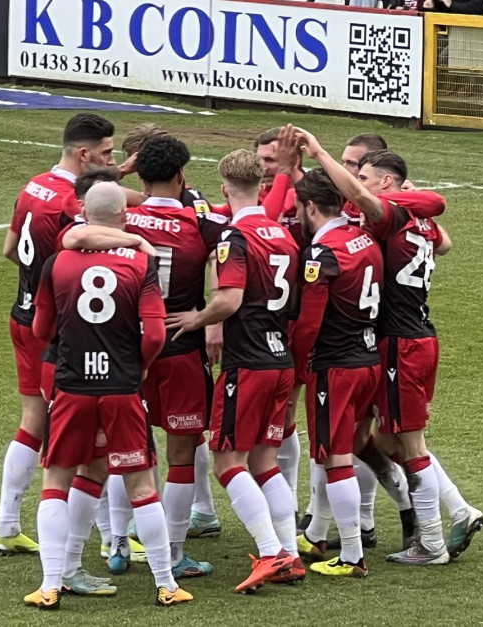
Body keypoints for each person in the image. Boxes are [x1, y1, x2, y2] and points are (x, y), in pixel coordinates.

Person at [296, 128, 483, 563]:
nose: (354, 179)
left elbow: (369, 202)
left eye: (360, 171)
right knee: (378, 439)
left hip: (400, 342)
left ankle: (432, 541)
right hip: (411, 337)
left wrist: (319, 151)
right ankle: (439, 514)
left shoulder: (391, 214)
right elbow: (445, 237)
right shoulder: (415, 216)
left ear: (384, 181)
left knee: (407, 444)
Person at [62, 137, 225, 579]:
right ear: (181, 176)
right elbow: (234, 245)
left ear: (142, 175)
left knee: (121, 451)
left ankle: (117, 542)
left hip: (123, 350)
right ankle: (172, 553)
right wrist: (208, 317)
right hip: (179, 348)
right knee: (182, 455)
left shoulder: (123, 219)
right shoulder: (204, 225)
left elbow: (73, 225)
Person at [28, 181, 193, 608]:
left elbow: (41, 331)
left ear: (85, 213)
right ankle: (166, 584)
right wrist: (139, 364)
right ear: (124, 217)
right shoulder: (140, 262)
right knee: (141, 485)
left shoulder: (57, 262)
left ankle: (50, 584)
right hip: (122, 385)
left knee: (55, 483)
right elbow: (155, 333)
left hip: (71, 386)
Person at [166, 149, 301, 593]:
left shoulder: (233, 238)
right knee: (264, 461)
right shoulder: (283, 234)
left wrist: (196, 319)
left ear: (224, 188)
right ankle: (291, 554)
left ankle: (270, 552)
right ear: (263, 187)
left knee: (227, 459)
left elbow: (229, 300)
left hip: (249, 364)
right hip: (281, 360)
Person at [0, 113, 115, 555]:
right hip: (53, 333)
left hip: (22, 315)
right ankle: (110, 538)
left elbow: (10, 249)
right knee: (88, 434)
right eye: (106, 153)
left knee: (33, 421)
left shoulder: (33, 184)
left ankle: (7, 525)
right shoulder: (70, 202)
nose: (111, 160)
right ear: (84, 154)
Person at [288, 167, 384, 578]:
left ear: (311, 206)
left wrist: (295, 364)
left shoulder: (322, 254)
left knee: (335, 457)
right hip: (369, 358)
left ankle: (351, 554)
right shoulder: (365, 238)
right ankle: (319, 533)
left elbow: (309, 322)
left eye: (298, 209)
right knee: (339, 450)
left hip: (336, 366)